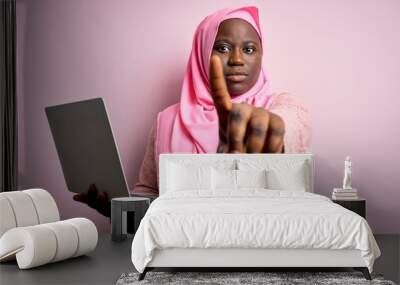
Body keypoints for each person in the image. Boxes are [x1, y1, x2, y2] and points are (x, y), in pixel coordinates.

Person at [73, 6, 311, 217]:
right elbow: (151, 198)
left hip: (259, 251)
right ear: (202, 52)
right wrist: (118, 212)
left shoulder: (285, 105)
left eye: (249, 49)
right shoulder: (167, 121)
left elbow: (287, 127)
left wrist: (261, 132)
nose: (237, 59)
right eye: (223, 47)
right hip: (180, 257)